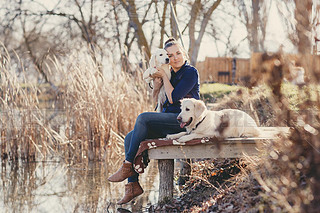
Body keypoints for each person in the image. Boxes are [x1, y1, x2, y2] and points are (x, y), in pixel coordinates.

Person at [108, 37, 200, 205]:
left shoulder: (190, 72)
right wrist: (157, 87)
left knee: (143, 117)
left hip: (184, 122)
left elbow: (174, 99)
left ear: (183, 53)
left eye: (178, 53)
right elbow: (158, 100)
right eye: (170, 55)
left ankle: (127, 165)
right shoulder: (169, 71)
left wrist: (164, 77)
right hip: (168, 121)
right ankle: (133, 185)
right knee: (130, 137)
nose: (175, 58)